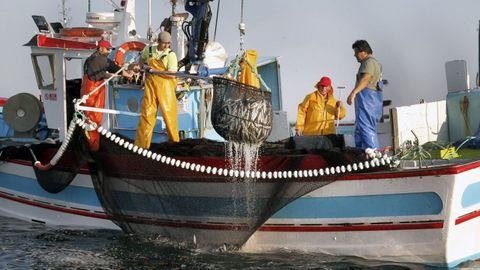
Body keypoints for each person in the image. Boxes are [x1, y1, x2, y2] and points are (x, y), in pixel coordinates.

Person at [82, 39, 134, 151]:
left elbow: (109, 69)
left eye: (110, 50)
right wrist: (127, 75)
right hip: (92, 93)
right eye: (107, 49)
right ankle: (93, 148)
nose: (109, 52)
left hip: (91, 91)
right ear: (100, 48)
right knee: (93, 120)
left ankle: (93, 146)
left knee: (92, 121)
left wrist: (121, 73)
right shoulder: (99, 59)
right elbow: (114, 68)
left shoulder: (91, 59)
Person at [134, 31, 179, 149]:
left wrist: (154, 69)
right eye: (164, 43)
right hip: (151, 86)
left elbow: (172, 74)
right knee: (146, 114)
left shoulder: (171, 55)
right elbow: (142, 59)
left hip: (166, 87)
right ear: (158, 42)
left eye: (168, 43)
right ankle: (141, 146)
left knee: (169, 117)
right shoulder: (149, 50)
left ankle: (175, 145)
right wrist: (140, 66)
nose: (166, 46)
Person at [347, 40, 383, 149]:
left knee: (366, 127)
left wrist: (353, 93)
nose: (354, 55)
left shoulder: (369, 62)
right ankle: (363, 154)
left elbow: (366, 78)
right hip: (373, 100)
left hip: (368, 99)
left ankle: (374, 155)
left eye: (356, 52)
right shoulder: (375, 63)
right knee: (360, 129)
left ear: (363, 51)